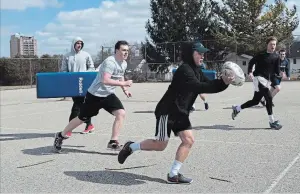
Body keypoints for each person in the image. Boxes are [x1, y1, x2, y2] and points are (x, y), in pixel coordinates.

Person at [117, 42, 235, 184]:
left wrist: (224, 83)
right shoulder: (185, 70)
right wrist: (222, 82)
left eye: (203, 53)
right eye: (199, 53)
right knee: (160, 145)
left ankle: (173, 174)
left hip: (181, 113)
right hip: (168, 111)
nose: (202, 56)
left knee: (188, 140)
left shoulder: (197, 70)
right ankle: (131, 146)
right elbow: (199, 86)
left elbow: (209, 84)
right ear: (191, 54)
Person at [53, 40, 133, 153]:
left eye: (127, 50)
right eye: (123, 50)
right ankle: (60, 135)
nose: (126, 53)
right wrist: (124, 84)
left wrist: (125, 89)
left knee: (121, 113)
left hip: (108, 95)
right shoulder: (110, 62)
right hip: (95, 95)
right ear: (116, 50)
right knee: (81, 118)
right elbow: (105, 80)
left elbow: (120, 76)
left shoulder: (123, 63)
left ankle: (113, 142)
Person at [231, 36, 283, 130]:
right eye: (271, 44)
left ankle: (237, 108)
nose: (273, 46)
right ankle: (272, 122)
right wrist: (250, 72)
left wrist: (280, 74)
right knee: (269, 97)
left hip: (267, 80)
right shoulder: (261, 54)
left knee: (255, 101)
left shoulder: (276, 57)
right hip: (258, 78)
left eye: (274, 44)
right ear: (267, 44)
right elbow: (251, 62)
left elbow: (276, 70)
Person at [60, 37, 96, 137]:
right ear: (73, 44)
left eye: (81, 43)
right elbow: (63, 70)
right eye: (77, 43)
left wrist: (84, 74)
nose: (79, 45)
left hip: (84, 83)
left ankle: (68, 129)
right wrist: (68, 77)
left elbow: (92, 68)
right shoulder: (67, 56)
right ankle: (89, 125)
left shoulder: (86, 55)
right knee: (81, 106)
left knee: (76, 106)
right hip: (73, 84)